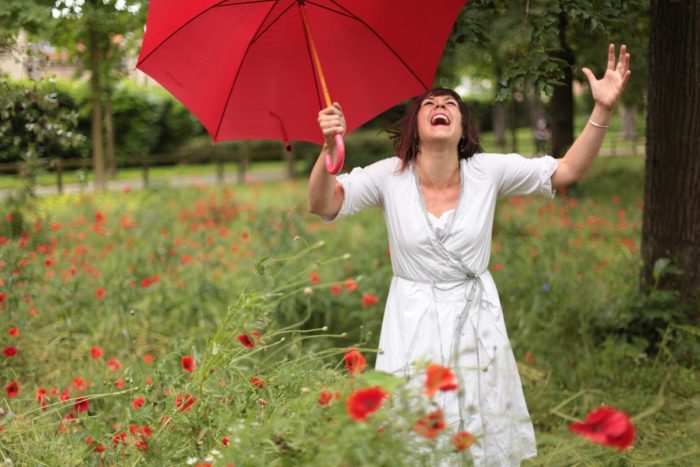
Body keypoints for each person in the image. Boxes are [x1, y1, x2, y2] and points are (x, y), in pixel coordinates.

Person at [307, 44, 631, 466]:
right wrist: (327, 148)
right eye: (430, 103)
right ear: (415, 125)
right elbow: (323, 204)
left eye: (450, 104)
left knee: (480, 418)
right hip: (412, 317)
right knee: (415, 424)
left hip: (477, 318)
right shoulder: (389, 175)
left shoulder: (487, 170)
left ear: (462, 127)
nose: (440, 106)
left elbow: (567, 170)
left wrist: (602, 109)